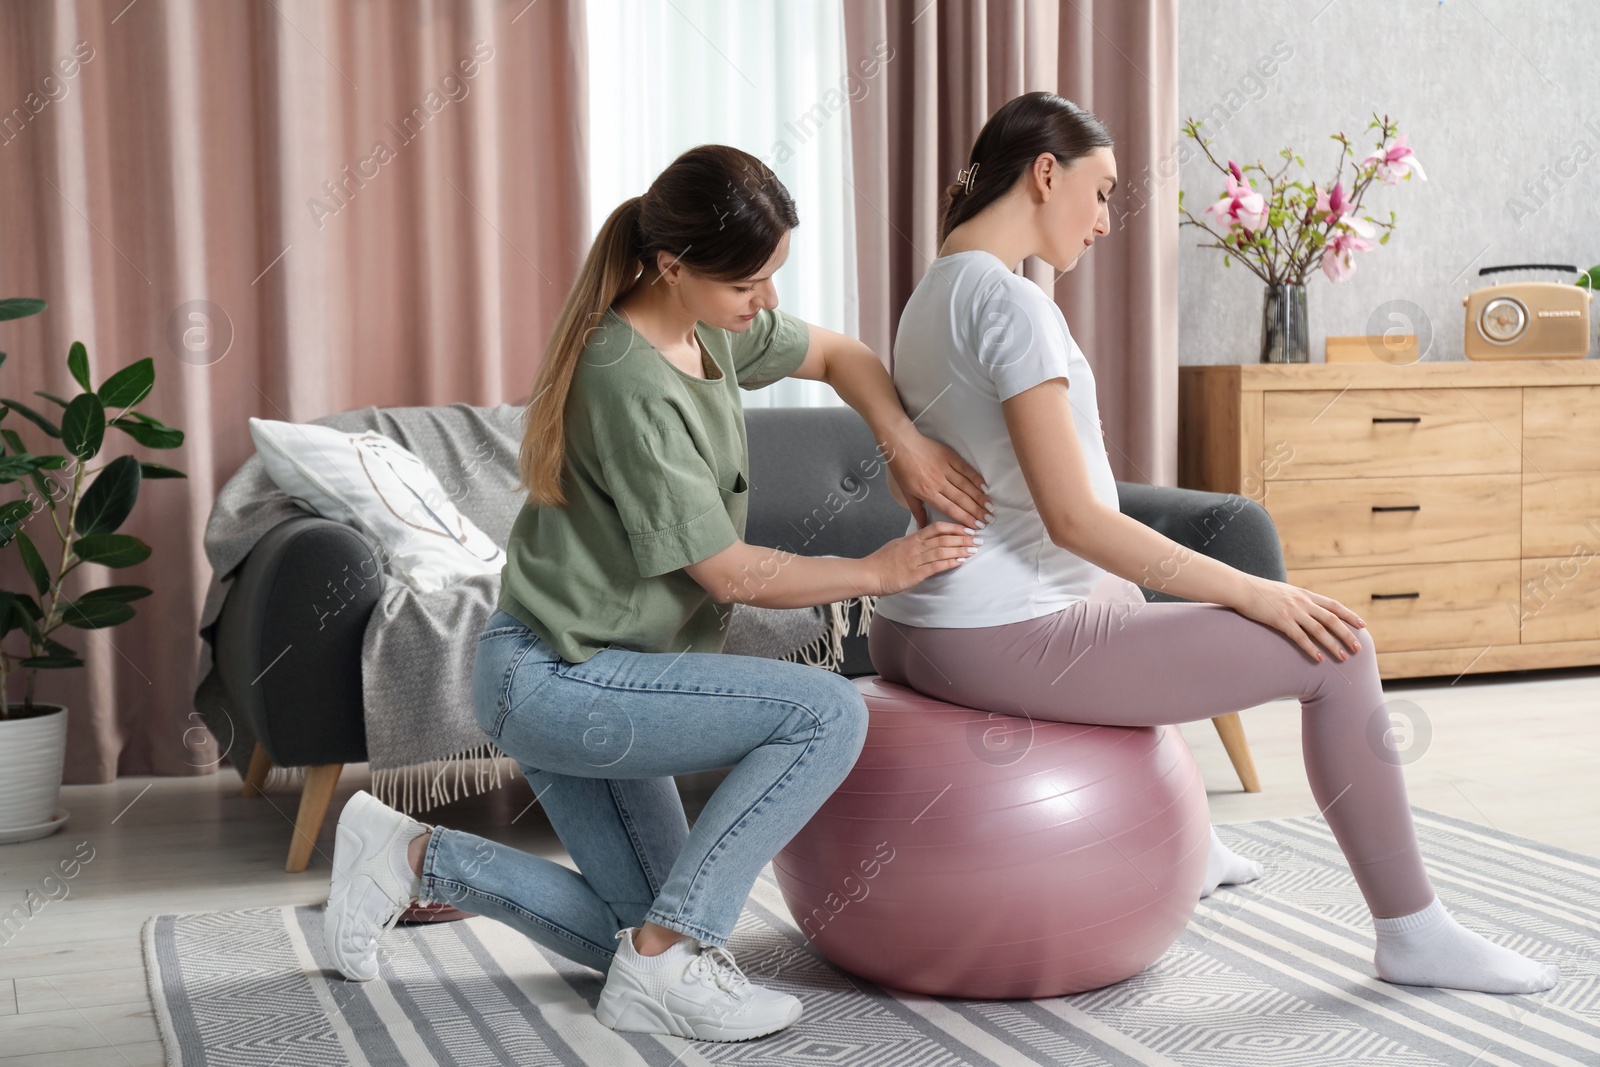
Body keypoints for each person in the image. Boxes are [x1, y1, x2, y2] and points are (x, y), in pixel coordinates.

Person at [866, 91, 1559, 997]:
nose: (1109, 219)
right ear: (1046, 173)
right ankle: (1414, 932)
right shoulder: (1012, 306)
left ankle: (1190, 841)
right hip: (999, 632)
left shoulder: (934, 291)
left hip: (916, 626)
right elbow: (1075, 520)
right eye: (1104, 190)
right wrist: (1254, 591)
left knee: (1120, 598)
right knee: (1341, 651)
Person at [320, 144, 991, 1042]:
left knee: (636, 931)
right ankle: (670, 963)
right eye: (749, 284)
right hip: (558, 679)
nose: (768, 303)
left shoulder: (707, 323)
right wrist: (879, 572)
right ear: (673, 266)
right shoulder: (625, 378)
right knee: (826, 714)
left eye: (772, 277)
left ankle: (410, 856)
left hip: (604, 671)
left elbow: (840, 354)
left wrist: (902, 440)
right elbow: (726, 571)